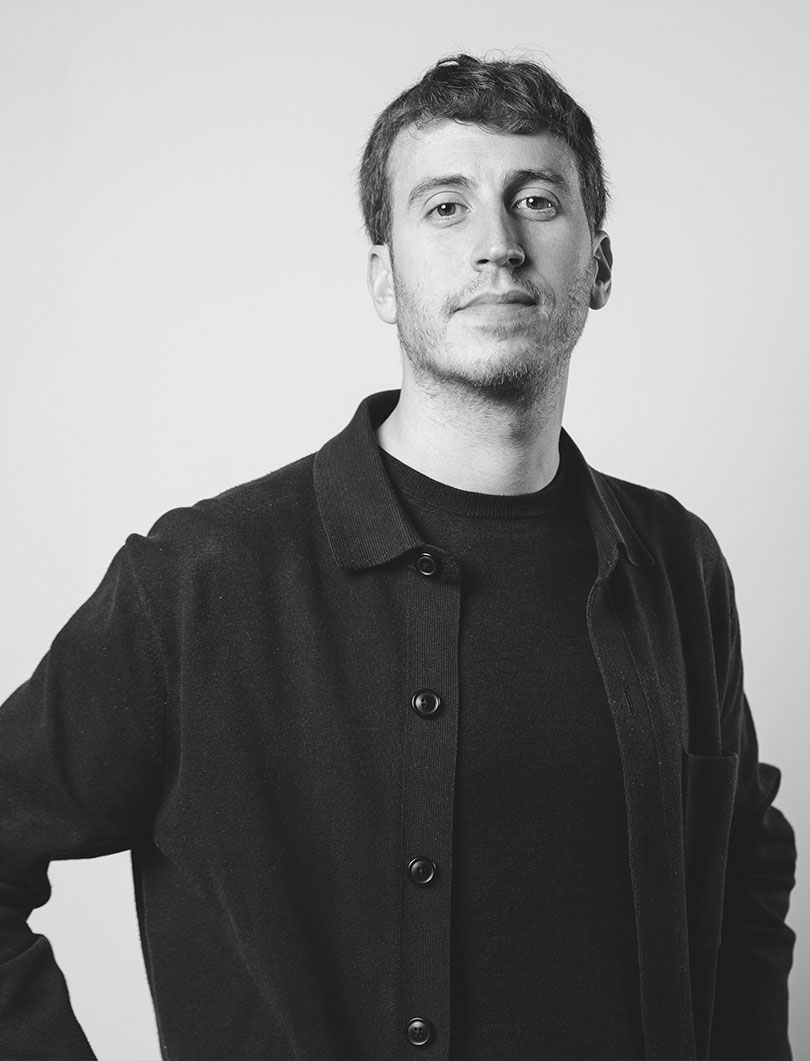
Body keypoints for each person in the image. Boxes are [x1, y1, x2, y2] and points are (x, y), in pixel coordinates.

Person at [0, 53, 796, 1061]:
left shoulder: (676, 562)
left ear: (598, 265)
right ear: (385, 277)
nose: (498, 245)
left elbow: (745, 866)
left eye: (537, 200)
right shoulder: (198, 582)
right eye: (446, 207)